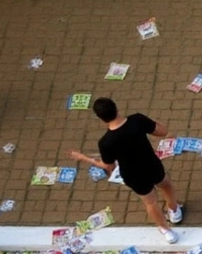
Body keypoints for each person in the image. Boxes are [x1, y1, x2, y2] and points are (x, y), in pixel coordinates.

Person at [67, 98, 181, 243]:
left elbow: (108, 166)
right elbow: (163, 131)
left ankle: (165, 230)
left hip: (132, 174)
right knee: (165, 184)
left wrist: (83, 158)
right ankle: (174, 210)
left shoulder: (105, 142)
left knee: (150, 202)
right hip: (150, 163)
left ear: (100, 118)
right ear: (116, 108)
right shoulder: (137, 120)